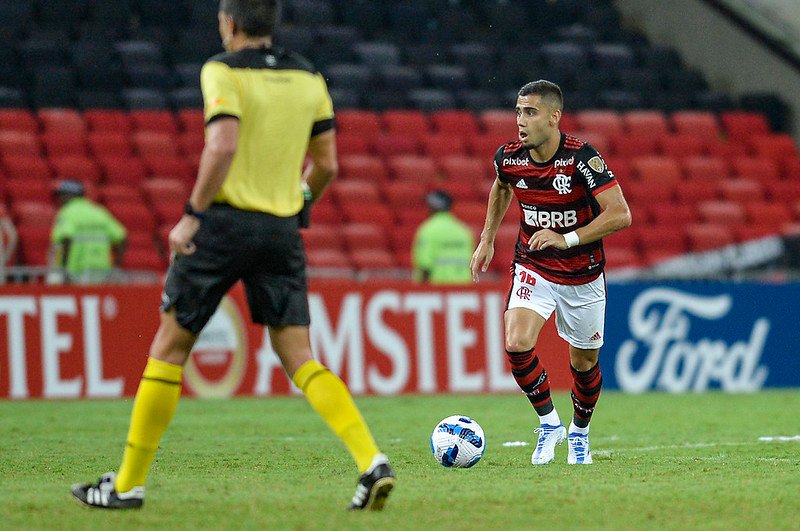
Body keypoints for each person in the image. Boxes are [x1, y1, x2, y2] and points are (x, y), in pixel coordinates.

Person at [71, 0, 394, 511]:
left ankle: (127, 484)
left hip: (222, 224)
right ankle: (370, 459)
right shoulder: (309, 78)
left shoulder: (220, 70)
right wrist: (299, 202)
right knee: (300, 356)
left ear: (229, 23)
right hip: (280, 230)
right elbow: (327, 164)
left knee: (171, 346)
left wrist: (192, 214)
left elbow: (221, 145)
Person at [470, 80, 631, 466]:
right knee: (516, 341)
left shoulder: (581, 159)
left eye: (530, 112)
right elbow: (502, 186)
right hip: (534, 264)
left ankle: (579, 432)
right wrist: (487, 238)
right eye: (518, 112)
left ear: (554, 117)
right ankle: (549, 424)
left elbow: (621, 214)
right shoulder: (508, 157)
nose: (520, 121)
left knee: (584, 364)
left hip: (583, 274)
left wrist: (568, 238)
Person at [50, 179, 127, 284]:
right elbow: (122, 237)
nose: (59, 199)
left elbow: (66, 238)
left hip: (75, 270)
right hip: (101, 270)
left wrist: (64, 270)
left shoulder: (67, 212)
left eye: (62, 195)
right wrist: (116, 267)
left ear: (70, 195)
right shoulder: (99, 211)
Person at [412, 189, 475, 284]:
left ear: (433, 206)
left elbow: (424, 265)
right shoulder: (464, 232)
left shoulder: (428, 230)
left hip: (438, 289)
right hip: (464, 290)